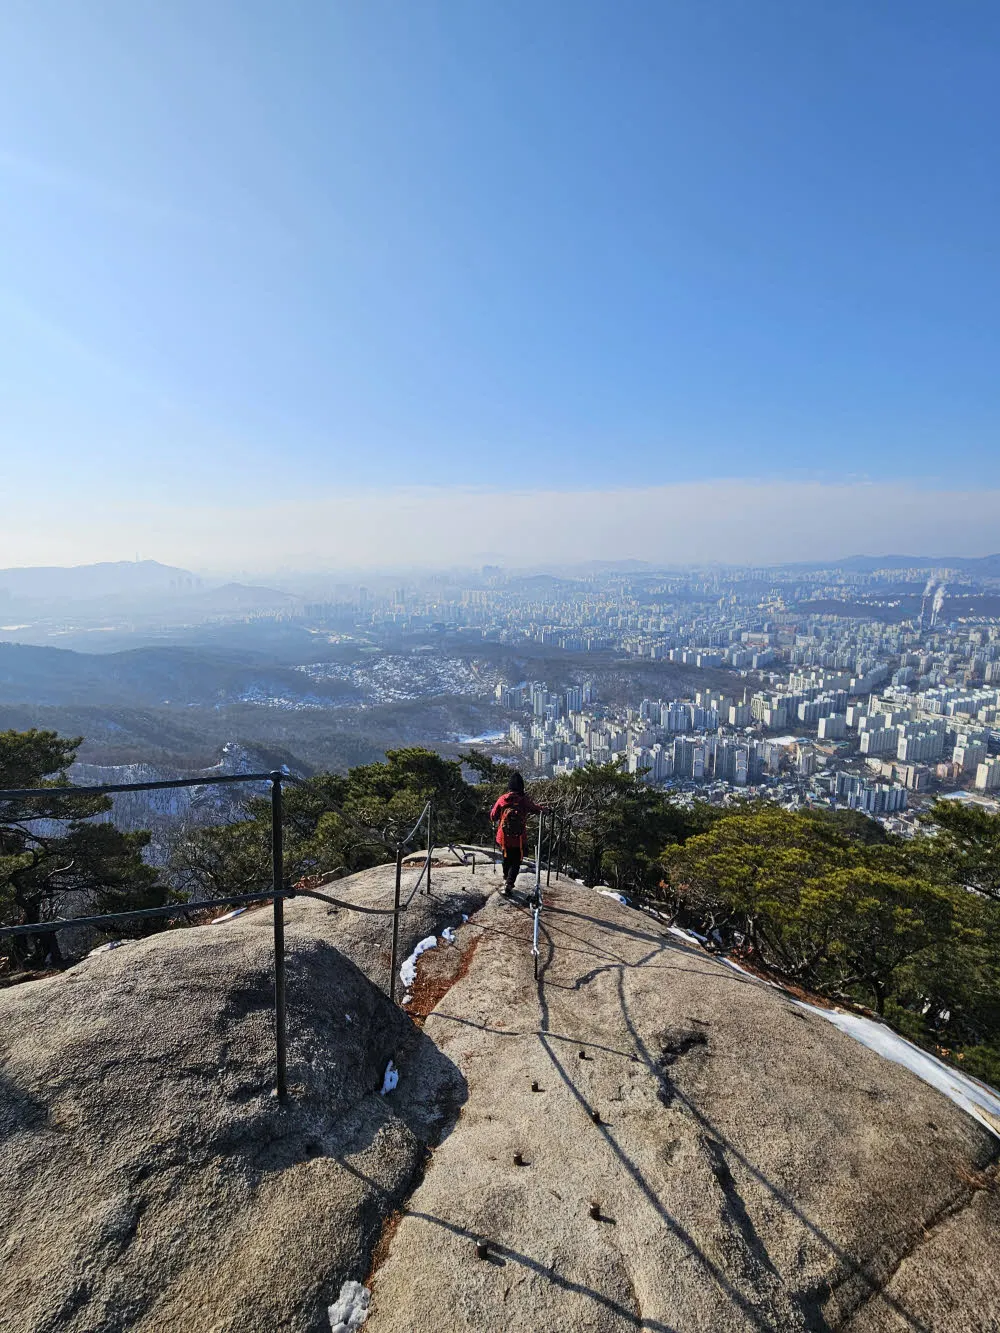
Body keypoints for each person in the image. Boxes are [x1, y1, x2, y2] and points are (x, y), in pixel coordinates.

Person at [490, 771, 545, 896]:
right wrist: (545, 810)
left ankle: (505, 878)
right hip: (519, 838)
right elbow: (535, 808)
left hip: (503, 837)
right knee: (516, 861)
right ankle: (509, 883)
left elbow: (493, 816)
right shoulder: (523, 800)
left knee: (506, 858)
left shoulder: (502, 799)